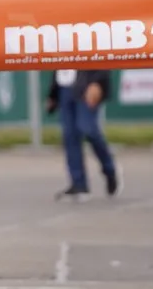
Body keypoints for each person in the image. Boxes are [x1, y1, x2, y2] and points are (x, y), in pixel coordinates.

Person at [46, 68, 121, 201]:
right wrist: (53, 94)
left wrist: (97, 82)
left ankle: (109, 169)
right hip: (64, 87)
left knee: (88, 129)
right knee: (70, 135)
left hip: (86, 83)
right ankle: (79, 183)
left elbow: (101, 58)